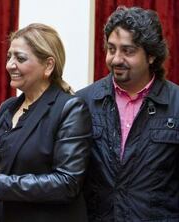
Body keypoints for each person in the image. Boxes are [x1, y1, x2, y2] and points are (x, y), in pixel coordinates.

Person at [0, 23, 92, 222]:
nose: (10, 64)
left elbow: (67, 183)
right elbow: (4, 160)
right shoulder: (8, 107)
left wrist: (0, 185)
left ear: (48, 65)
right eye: (9, 56)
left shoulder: (70, 109)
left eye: (20, 58)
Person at [76, 6, 179, 221]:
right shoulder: (83, 102)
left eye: (128, 51)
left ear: (151, 56)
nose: (115, 59)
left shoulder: (176, 104)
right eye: (111, 49)